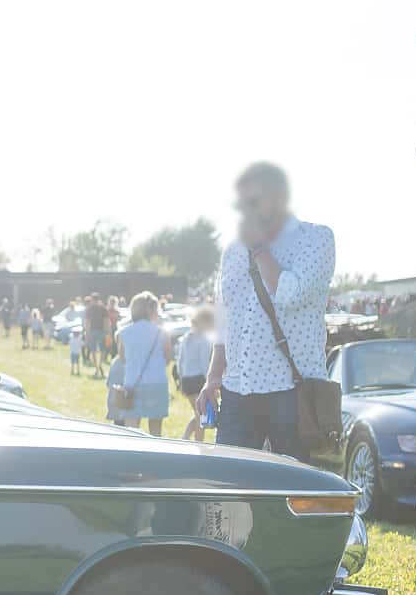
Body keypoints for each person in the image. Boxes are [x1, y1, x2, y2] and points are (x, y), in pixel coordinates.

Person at [194, 162, 336, 461]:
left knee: (290, 491)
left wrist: (259, 248)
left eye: (253, 201)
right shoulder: (233, 249)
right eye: (240, 203)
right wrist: (213, 376)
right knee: (228, 486)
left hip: (292, 392)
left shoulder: (316, 238)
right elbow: (224, 318)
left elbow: (290, 295)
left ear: (280, 197)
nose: (245, 210)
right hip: (237, 389)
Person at [112, 291, 171, 437]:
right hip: (157, 383)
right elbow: (168, 358)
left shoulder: (123, 333)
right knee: (156, 432)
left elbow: (123, 359)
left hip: (132, 385)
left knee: (132, 432)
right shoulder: (162, 333)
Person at [176, 306, 217, 442]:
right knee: (201, 414)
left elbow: (180, 362)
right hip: (199, 379)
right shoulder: (204, 340)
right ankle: (198, 443)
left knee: (197, 412)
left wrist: (181, 381)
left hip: (187, 380)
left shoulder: (186, 338)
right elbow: (204, 364)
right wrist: (210, 383)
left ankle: (185, 438)